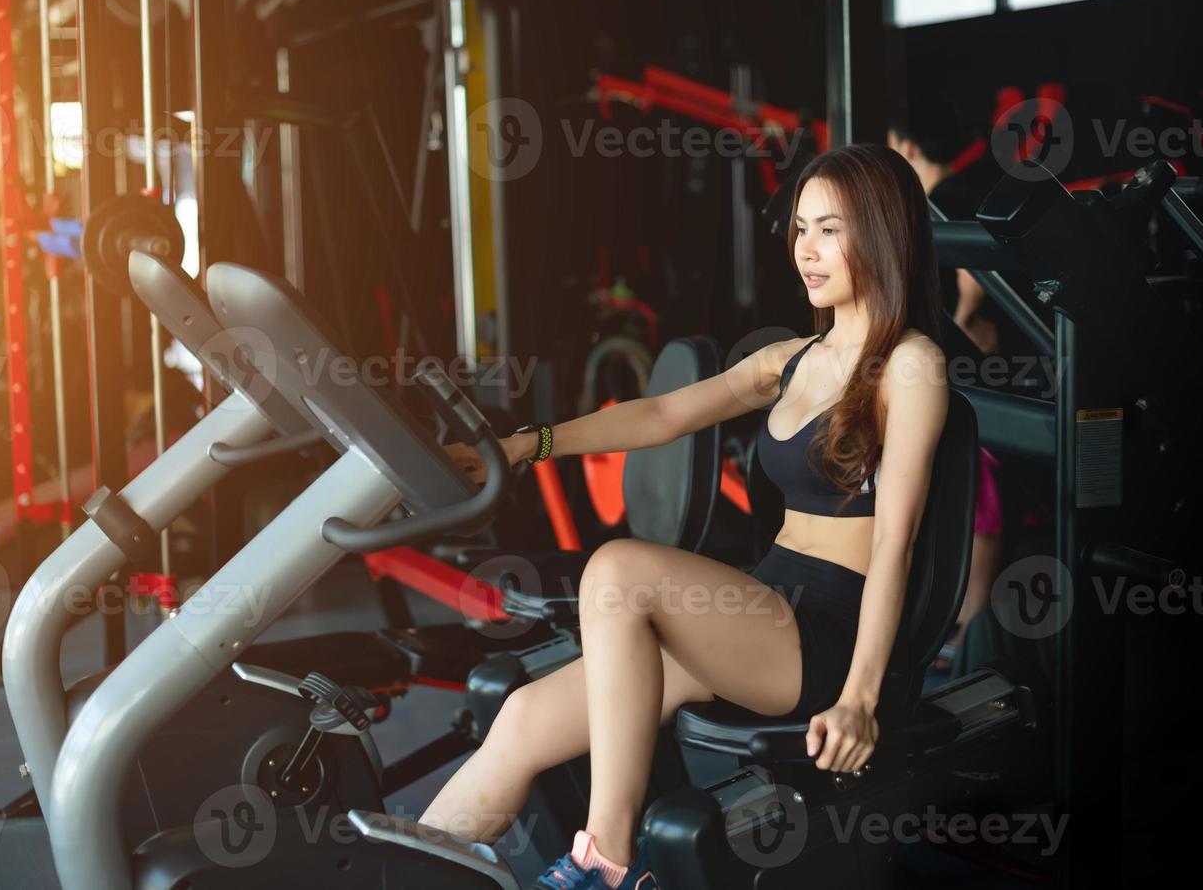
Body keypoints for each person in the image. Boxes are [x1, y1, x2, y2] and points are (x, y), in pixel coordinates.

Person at [429, 143, 950, 889]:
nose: (806, 250)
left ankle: (608, 863)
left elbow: (896, 544)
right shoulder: (792, 359)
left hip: (823, 641)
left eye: (829, 229)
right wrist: (521, 446)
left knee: (618, 570)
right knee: (518, 719)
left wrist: (862, 701)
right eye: (800, 229)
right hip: (760, 615)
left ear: (882, 231)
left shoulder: (910, 365)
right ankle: (396, 869)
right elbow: (664, 414)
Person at [889, 98, 1007, 671]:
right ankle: (966, 623)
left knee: (978, 491)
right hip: (985, 361)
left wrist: (959, 327)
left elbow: (975, 277)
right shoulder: (966, 186)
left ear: (908, 147)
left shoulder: (942, 199)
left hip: (980, 361)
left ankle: (971, 625)